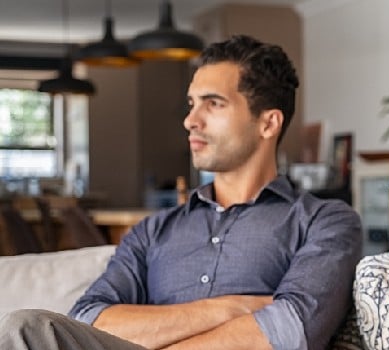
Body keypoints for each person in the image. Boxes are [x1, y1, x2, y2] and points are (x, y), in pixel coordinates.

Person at [0, 35, 362, 350]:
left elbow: (290, 329)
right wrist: (231, 308)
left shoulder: (325, 221)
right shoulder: (154, 231)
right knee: (29, 329)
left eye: (213, 103)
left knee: (25, 329)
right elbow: (88, 319)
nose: (191, 120)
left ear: (268, 123)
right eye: (192, 104)